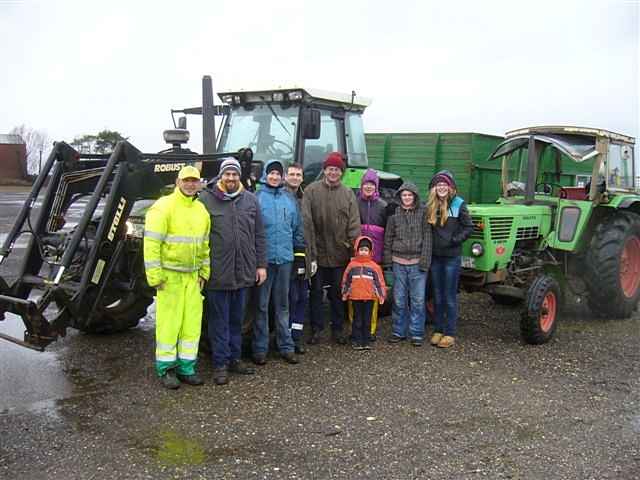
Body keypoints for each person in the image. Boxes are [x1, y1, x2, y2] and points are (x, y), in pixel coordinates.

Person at [198, 158, 267, 385]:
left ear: (239, 177)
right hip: (218, 272)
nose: (231, 178)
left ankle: (235, 359)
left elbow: (259, 234)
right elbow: (200, 238)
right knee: (219, 321)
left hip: (244, 272)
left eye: (234, 174)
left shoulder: (250, 200)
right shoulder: (206, 200)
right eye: (227, 174)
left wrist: (261, 265)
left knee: (237, 320)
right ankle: (220, 364)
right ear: (220, 176)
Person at [143, 165, 210, 389]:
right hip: (170, 278)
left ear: (200, 183)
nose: (191, 184)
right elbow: (151, 244)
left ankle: (187, 368)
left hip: (192, 278)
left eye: (195, 181)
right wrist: (155, 276)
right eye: (186, 180)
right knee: (169, 325)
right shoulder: (163, 207)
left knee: (191, 326)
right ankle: (166, 369)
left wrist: (204, 272)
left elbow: (204, 246)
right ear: (178, 182)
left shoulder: (201, 210)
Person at [302, 152, 361, 345]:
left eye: (337, 169)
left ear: (341, 172)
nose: (333, 172)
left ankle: (338, 329)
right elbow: (307, 223)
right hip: (317, 254)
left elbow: (353, 225)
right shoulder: (311, 191)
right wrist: (310, 253)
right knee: (316, 293)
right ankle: (317, 329)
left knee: (338, 293)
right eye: (330, 169)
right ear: (325, 170)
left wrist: (353, 252)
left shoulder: (347, 194)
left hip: (340, 254)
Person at [253, 160, 305, 366]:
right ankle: (260, 348)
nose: (274, 177)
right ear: (266, 175)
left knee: (283, 305)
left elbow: (297, 229)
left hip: (285, 260)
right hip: (264, 262)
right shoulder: (256, 198)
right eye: (271, 173)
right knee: (261, 306)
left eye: (277, 174)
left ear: (282, 177)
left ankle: (286, 346)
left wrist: (298, 257)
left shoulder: (289, 199)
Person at [426, 170, 473, 349]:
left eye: (444, 184)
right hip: (436, 257)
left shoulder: (459, 204)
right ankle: (438, 329)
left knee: (449, 296)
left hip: (451, 257)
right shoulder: (432, 205)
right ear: (434, 188)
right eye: (439, 184)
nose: (442, 187)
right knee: (437, 296)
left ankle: (450, 332)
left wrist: (454, 240)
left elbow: (468, 227)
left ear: (450, 187)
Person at [383, 182, 432, 346]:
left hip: (417, 262)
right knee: (398, 299)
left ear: (415, 197)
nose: (407, 198)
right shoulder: (394, 215)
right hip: (398, 262)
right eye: (404, 195)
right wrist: (388, 261)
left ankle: (417, 333)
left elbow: (427, 238)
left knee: (418, 299)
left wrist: (425, 261)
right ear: (400, 197)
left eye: (410, 195)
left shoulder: (423, 213)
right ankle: (398, 331)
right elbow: (388, 239)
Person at [350, 168, 388, 340]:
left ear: (376, 186)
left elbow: (388, 232)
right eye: (366, 184)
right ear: (362, 185)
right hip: (357, 257)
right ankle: (355, 329)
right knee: (354, 294)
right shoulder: (354, 203)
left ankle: (370, 329)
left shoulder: (383, 206)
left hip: (375, 257)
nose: (369, 187)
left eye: (372, 184)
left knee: (372, 294)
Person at [341, 236, 387, 350]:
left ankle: (366, 341)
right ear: (357, 250)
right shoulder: (352, 266)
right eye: (361, 249)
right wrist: (345, 293)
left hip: (369, 297)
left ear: (370, 251)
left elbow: (379, 282)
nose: (363, 252)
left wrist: (381, 295)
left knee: (367, 320)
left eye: (366, 250)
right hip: (355, 297)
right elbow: (346, 280)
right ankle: (356, 340)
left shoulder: (374, 267)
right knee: (357, 320)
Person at [284, 162, 308, 354]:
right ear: (285, 176)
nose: (294, 177)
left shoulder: (305, 199)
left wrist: (312, 257)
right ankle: (285, 339)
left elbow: (311, 229)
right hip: (286, 257)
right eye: (291, 174)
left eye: (298, 174)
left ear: (302, 177)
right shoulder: (280, 196)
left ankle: (296, 337)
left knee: (301, 297)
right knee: (289, 299)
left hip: (304, 255)